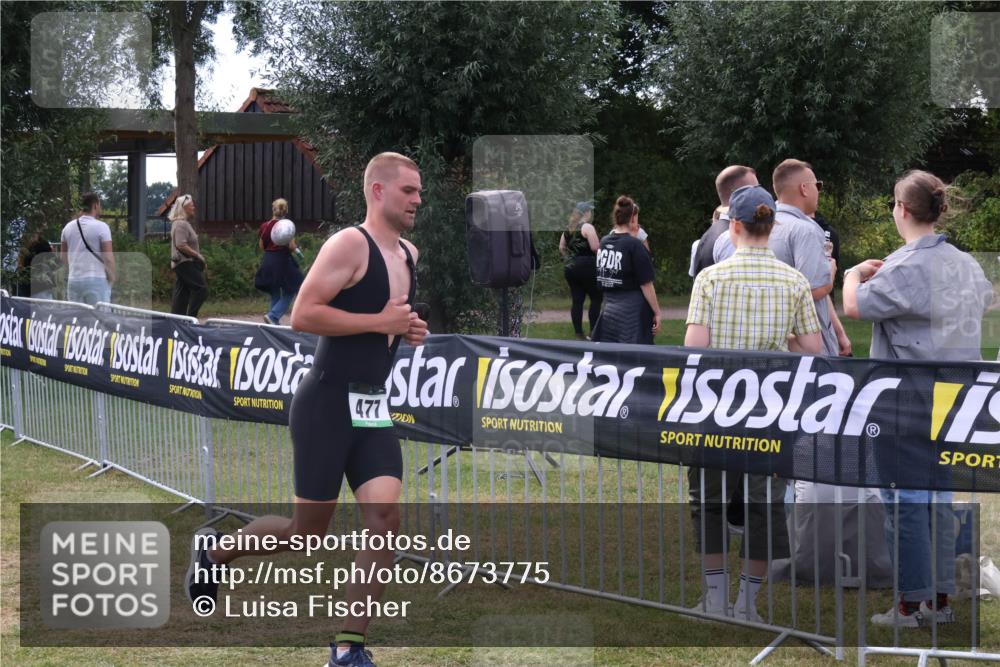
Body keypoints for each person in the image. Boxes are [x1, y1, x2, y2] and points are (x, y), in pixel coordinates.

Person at [186, 152, 428, 667]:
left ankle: (348, 646)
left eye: (419, 191)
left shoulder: (409, 254)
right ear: (378, 192)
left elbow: (387, 322)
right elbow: (303, 314)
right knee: (306, 532)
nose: (417, 200)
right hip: (325, 404)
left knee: (385, 518)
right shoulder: (349, 244)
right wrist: (379, 322)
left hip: (371, 406)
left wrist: (406, 330)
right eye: (409, 191)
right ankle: (216, 554)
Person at [844, 170, 994, 628]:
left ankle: (911, 604)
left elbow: (854, 306)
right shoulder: (964, 262)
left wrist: (853, 274)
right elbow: (986, 300)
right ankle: (940, 600)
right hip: (955, 397)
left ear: (902, 210)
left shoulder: (909, 266)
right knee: (938, 498)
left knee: (904, 500)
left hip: (908, 398)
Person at [684, 185, 822, 623]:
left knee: (709, 501)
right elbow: (812, 349)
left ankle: (714, 597)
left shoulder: (710, 279)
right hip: (769, 410)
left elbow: (695, 347)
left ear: (735, 226)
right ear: (773, 225)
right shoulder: (794, 281)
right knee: (763, 507)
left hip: (716, 408)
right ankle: (747, 605)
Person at [714, 159, 852, 357]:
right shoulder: (806, 230)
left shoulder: (725, 238)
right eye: (817, 185)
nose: (819, 191)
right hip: (802, 352)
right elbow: (812, 289)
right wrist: (831, 277)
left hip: (744, 351)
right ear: (804, 188)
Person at [591, 196, 661, 345]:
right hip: (633, 312)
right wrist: (657, 312)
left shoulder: (604, 242)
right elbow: (646, 284)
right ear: (633, 219)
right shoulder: (635, 245)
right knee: (636, 359)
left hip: (609, 308)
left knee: (610, 358)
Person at [690, 165, 758, 277]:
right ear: (739, 195)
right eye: (755, 189)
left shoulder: (706, 237)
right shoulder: (731, 238)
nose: (760, 194)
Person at [255, 198, 305, 325]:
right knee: (292, 288)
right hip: (282, 260)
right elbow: (291, 246)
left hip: (268, 260)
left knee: (274, 290)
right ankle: (274, 315)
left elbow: (261, 246)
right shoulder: (286, 226)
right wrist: (299, 253)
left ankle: (272, 325)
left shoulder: (265, 226)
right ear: (286, 211)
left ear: (273, 209)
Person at [60, 192, 115, 305]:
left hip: (74, 280)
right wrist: (112, 276)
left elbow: (63, 258)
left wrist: (73, 271)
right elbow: (108, 258)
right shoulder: (102, 227)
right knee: (100, 318)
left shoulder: (67, 228)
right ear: (95, 205)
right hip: (96, 279)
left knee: (77, 319)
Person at [559, 200, 601, 339]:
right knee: (596, 298)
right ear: (586, 213)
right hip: (588, 265)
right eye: (590, 211)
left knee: (577, 300)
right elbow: (595, 248)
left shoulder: (570, 227)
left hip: (571, 267)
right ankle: (593, 332)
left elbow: (561, 247)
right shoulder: (587, 227)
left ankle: (578, 332)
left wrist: (569, 259)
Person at [169, 194, 208, 318]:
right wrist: (198, 256)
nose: (194, 208)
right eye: (191, 206)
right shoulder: (181, 224)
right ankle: (191, 319)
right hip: (184, 262)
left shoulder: (182, 223)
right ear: (184, 208)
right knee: (201, 289)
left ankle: (177, 320)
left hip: (182, 263)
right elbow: (180, 245)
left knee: (182, 293)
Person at [15, 233, 59, 299]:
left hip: (28, 287)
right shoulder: (42, 244)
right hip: (40, 287)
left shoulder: (27, 247)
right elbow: (54, 265)